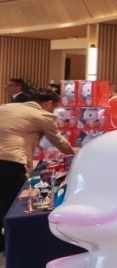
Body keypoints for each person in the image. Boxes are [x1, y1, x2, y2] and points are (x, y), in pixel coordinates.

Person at [0, 90, 74, 251]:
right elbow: (59, 141)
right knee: (14, 204)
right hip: (9, 161)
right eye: (54, 107)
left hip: (6, 159)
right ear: (48, 103)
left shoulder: (5, 108)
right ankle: (17, 245)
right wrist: (75, 154)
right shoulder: (41, 115)